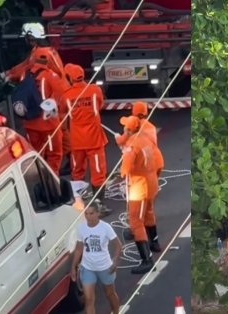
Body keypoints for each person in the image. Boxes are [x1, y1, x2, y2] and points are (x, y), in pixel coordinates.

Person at [60, 63, 111, 214]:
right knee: (98, 172)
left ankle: (78, 203)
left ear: (69, 78)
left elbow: (62, 111)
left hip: (77, 141)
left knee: (77, 171)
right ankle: (99, 204)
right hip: (95, 139)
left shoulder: (66, 96)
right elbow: (100, 104)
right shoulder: (95, 90)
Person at [119, 115, 160, 274]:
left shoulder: (132, 145)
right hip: (151, 182)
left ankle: (147, 259)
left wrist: (124, 153)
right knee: (148, 212)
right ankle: (154, 242)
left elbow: (125, 170)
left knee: (136, 222)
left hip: (139, 186)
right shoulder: (145, 139)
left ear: (129, 130)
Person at [14, 52, 65, 174]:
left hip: (30, 123)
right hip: (49, 125)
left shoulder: (24, 75)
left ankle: (37, 177)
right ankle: (52, 179)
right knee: (54, 154)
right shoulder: (51, 76)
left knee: (35, 153)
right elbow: (61, 98)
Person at [71, 203, 122, 314]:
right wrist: (73, 267)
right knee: (89, 299)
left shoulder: (106, 228)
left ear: (98, 213)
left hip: (105, 267)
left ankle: (116, 312)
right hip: (88, 268)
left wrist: (115, 261)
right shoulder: (81, 228)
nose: (88, 216)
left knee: (110, 294)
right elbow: (79, 248)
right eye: (86, 213)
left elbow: (118, 245)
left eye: (91, 213)